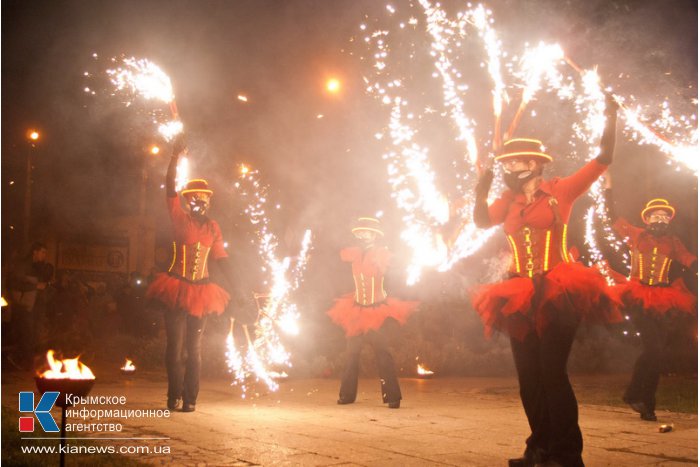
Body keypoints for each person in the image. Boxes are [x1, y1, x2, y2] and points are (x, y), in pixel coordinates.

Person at [471, 95, 621, 467]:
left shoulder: (561, 191)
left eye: (519, 161)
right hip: (518, 291)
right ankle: (538, 448)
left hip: (558, 290)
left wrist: (610, 116)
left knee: (552, 373)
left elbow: (603, 159)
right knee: (529, 379)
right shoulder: (507, 201)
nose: (513, 167)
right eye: (508, 162)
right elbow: (480, 222)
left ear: (536, 164)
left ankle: (567, 455)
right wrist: (481, 187)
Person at [146, 135, 232, 412]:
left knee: (193, 350)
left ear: (208, 201)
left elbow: (221, 258)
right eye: (194, 197)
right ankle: (174, 396)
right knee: (175, 348)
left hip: (202, 292)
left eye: (203, 197)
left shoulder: (213, 227)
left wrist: (239, 286)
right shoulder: (179, 217)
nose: (199, 200)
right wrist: (175, 156)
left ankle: (191, 398)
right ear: (188, 200)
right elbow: (170, 189)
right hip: (176, 288)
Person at [603, 178, 697, 422]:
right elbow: (612, 217)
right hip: (638, 295)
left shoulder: (673, 242)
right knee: (653, 348)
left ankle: (646, 404)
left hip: (664, 298)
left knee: (656, 352)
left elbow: (689, 259)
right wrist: (608, 187)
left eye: (664, 216)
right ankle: (636, 395)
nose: (660, 219)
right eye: (655, 215)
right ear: (647, 218)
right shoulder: (636, 234)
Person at [327, 217, 418, 409]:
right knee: (351, 354)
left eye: (366, 232)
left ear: (375, 235)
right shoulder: (355, 253)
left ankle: (393, 397)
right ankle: (347, 394)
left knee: (382, 353)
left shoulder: (381, 253)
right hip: (356, 310)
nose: (362, 234)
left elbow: (397, 262)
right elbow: (337, 253)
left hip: (377, 311)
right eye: (360, 232)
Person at [7, 242, 54, 368]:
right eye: (43, 252)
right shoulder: (23, 266)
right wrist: (35, 286)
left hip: (37, 307)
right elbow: (13, 284)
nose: (45, 256)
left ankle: (28, 361)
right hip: (25, 306)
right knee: (26, 335)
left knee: (34, 335)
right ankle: (22, 361)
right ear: (35, 251)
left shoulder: (39, 267)